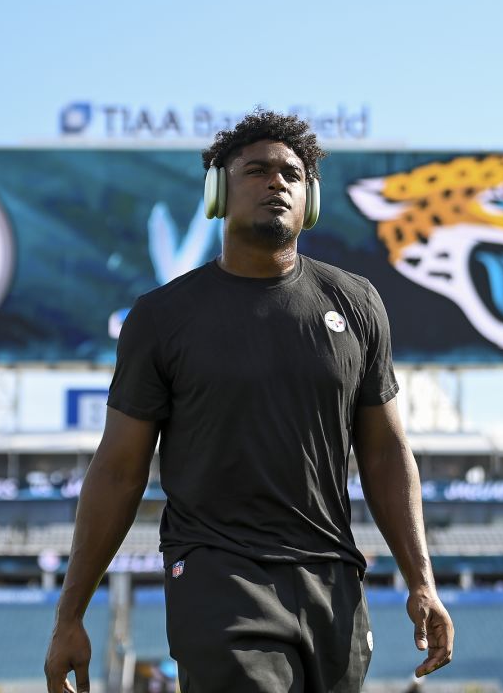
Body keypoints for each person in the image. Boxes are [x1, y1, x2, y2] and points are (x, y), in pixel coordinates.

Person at [44, 111, 454, 693]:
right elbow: (117, 470)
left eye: (291, 173)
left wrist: (421, 581)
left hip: (332, 578)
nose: (276, 182)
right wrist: (70, 615)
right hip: (219, 575)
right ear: (217, 190)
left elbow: (387, 454)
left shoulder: (357, 303)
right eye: (256, 170)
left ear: (309, 198)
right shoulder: (160, 318)